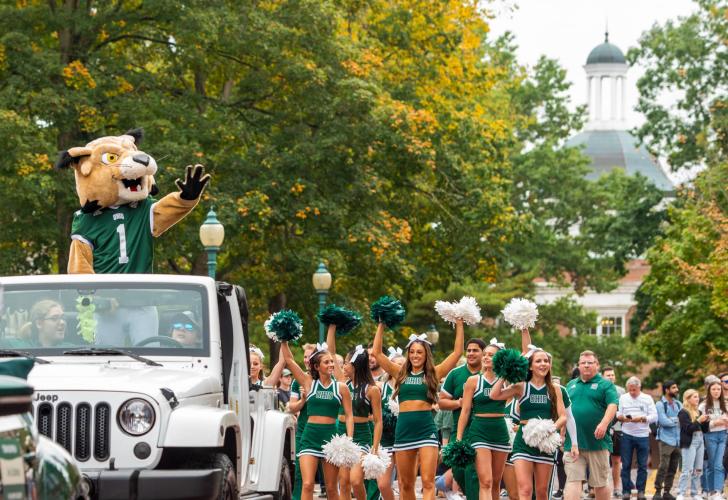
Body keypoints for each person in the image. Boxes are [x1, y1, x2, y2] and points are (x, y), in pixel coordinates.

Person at [372, 318, 464, 500]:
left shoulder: (433, 373)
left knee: (428, 482)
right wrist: (381, 324)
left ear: (426, 354)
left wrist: (459, 324)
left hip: (426, 430)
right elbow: (376, 353)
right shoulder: (400, 373)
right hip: (404, 430)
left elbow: (456, 353)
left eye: (419, 352)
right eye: (412, 352)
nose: (415, 355)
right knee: (406, 484)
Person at [490, 345, 570, 500]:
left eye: (546, 361)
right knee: (525, 490)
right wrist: (504, 374)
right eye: (538, 361)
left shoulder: (554, 388)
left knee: (541, 491)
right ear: (531, 366)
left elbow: (563, 416)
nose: (543, 364)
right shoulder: (521, 386)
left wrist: (548, 429)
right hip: (523, 441)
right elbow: (494, 395)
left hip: (545, 442)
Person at [281, 341, 354, 500]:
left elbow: (349, 415)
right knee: (307, 484)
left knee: (331, 488)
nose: (331, 365)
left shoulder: (341, 388)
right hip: (310, 437)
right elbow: (289, 360)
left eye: (331, 362)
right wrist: (284, 339)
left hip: (331, 440)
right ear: (316, 366)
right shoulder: (308, 383)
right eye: (326, 362)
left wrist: (349, 439)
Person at [326, 326, 382, 500]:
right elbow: (331, 352)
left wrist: (374, 448)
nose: (342, 366)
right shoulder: (343, 383)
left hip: (362, 435)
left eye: (346, 364)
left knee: (356, 481)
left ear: (356, 366)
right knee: (343, 482)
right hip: (342, 433)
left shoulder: (372, 390)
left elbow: (378, 421)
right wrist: (332, 327)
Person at [456, 338, 512, 500]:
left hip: (500, 430)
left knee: (496, 482)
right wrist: (459, 437)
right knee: (485, 481)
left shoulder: (506, 381)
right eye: (485, 354)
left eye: (491, 355)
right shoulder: (473, 381)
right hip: (479, 430)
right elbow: (465, 411)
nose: (486, 357)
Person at [564, 351, 619, 500]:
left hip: (598, 442)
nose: (586, 365)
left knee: (600, 483)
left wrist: (604, 423)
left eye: (590, 362)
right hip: (573, 443)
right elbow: (564, 411)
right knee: (573, 480)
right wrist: (562, 433)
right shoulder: (570, 385)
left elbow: (613, 405)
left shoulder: (606, 385)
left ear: (597, 365)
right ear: (579, 365)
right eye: (583, 363)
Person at [441, 338, 487, 500]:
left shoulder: (489, 373)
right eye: (469, 350)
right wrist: (458, 402)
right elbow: (441, 401)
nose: (471, 353)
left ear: (484, 353)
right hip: (459, 429)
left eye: (475, 350)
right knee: (458, 470)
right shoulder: (455, 374)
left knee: (473, 472)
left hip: (482, 429)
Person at [616, 377, 657, 500]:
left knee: (642, 465)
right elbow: (618, 413)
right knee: (626, 464)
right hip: (627, 434)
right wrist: (622, 418)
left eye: (634, 390)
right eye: (630, 390)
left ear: (639, 387)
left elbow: (654, 416)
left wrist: (643, 419)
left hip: (643, 435)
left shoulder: (647, 398)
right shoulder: (623, 398)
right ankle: (626, 491)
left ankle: (641, 491)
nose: (632, 392)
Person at [288, 343, 317, 500]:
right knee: (301, 476)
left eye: (310, 357)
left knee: (331, 480)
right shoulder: (297, 381)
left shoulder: (328, 379)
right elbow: (291, 407)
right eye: (305, 357)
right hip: (303, 431)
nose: (306, 360)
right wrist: (303, 400)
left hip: (326, 431)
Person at [377, 349, 405, 500]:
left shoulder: (408, 387)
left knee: (403, 482)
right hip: (385, 439)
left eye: (403, 365)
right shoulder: (380, 387)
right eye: (396, 364)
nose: (399, 368)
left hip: (404, 438)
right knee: (383, 484)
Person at [677, 389, 709, 500]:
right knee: (687, 469)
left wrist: (706, 421)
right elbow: (688, 429)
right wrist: (699, 421)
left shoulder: (699, 412)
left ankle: (695, 493)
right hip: (690, 442)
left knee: (698, 469)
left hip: (700, 440)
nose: (697, 399)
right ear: (688, 399)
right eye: (695, 397)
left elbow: (705, 430)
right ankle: (681, 493)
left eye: (698, 397)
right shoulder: (683, 412)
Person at [698, 380, 728, 500]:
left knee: (718, 465)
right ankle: (710, 491)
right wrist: (716, 422)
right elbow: (702, 425)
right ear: (709, 391)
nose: (716, 392)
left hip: (723, 435)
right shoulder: (703, 405)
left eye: (718, 389)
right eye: (713, 389)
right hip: (710, 436)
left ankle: (717, 491)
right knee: (711, 464)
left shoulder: (725, 404)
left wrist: (722, 422)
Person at [654, 380, 682, 500]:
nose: (677, 389)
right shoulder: (660, 404)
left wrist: (672, 419)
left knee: (673, 467)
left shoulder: (679, 404)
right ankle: (657, 492)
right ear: (667, 390)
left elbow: (684, 420)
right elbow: (663, 421)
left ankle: (667, 492)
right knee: (663, 466)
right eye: (674, 387)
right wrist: (676, 421)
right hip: (666, 440)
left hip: (677, 440)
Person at [602, 366, 626, 499]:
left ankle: (617, 488)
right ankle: (603, 487)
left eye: (612, 375)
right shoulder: (599, 389)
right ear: (602, 376)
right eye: (608, 375)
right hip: (603, 428)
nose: (610, 377)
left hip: (618, 428)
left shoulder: (621, 391)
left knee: (616, 460)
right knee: (603, 460)